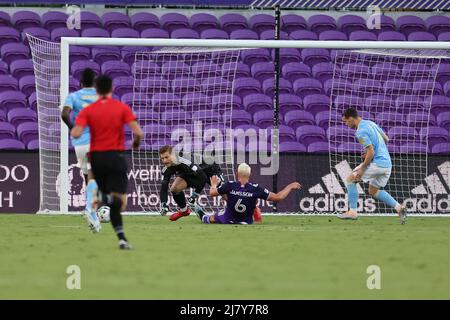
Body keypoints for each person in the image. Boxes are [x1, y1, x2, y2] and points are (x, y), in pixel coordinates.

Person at [71, 75, 144, 250]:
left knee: (109, 198)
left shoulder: (88, 110)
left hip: (96, 158)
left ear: (97, 90)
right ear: (111, 89)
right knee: (120, 203)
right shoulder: (121, 107)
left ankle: (121, 239)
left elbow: (75, 133)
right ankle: (120, 235)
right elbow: (138, 133)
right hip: (115, 157)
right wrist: (135, 143)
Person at [339, 107, 407, 224]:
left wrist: (362, 168)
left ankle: (353, 212)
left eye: (346, 121)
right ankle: (399, 208)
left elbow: (370, 152)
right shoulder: (370, 123)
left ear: (351, 119)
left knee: (350, 179)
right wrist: (374, 150)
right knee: (373, 190)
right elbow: (386, 138)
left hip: (377, 163)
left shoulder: (360, 132)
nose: (346, 124)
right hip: (387, 164)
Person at [61, 68, 100, 232]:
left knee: (88, 176)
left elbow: (64, 114)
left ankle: (94, 216)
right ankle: (90, 209)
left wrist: (73, 128)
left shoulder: (73, 96)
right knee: (96, 177)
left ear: (81, 83)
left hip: (80, 143)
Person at [199, 163, 301, 224]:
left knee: (213, 217)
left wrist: (213, 184)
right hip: (246, 222)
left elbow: (212, 193)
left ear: (236, 174)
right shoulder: (256, 189)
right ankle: (255, 210)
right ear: (250, 175)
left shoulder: (230, 185)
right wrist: (290, 186)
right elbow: (279, 197)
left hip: (228, 220)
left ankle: (203, 216)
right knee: (248, 201)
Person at [159, 145, 208, 221]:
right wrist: (163, 204)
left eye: (167, 157)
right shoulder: (166, 169)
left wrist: (194, 195)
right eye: (162, 158)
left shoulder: (185, 161)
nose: (164, 161)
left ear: (173, 155)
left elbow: (203, 177)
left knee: (221, 191)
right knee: (174, 189)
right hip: (189, 175)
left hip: (207, 171)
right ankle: (184, 211)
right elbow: (164, 186)